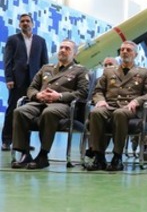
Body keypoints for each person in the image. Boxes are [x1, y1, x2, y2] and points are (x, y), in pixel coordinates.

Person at [11, 39, 89, 169]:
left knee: (49, 112)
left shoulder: (80, 70)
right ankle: (25, 153)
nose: (63, 50)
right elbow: (32, 88)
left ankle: (43, 155)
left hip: (62, 105)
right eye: (61, 47)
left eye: (67, 48)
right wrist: (37, 95)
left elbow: (82, 93)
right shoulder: (46, 68)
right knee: (20, 111)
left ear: (75, 54)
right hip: (40, 102)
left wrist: (59, 96)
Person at [86, 41, 147, 172]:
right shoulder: (109, 71)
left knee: (120, 113)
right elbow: (98, 90)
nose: (124, 52)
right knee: (96, 112)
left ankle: (117, 157)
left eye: (128, 50)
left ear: (135, 54)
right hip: (110, 105)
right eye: (122, 49)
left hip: (129, 107)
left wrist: (136, 101)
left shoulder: (144, 72)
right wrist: (100, 100)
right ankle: (99, 157)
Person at [2, 13, 49, 150]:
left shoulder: (41, 41)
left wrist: (45, 82)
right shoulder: (13, 40)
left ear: (32, 24)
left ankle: (24, 143)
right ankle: (6, 140)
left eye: (28, 21)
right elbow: (7, 61)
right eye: (22, 21)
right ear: (19, 24)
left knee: (29, 111)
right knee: (12, 109)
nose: (25, 23)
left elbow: (45, 63)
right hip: (17, 80)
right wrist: (9, 78)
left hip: (35, 82)